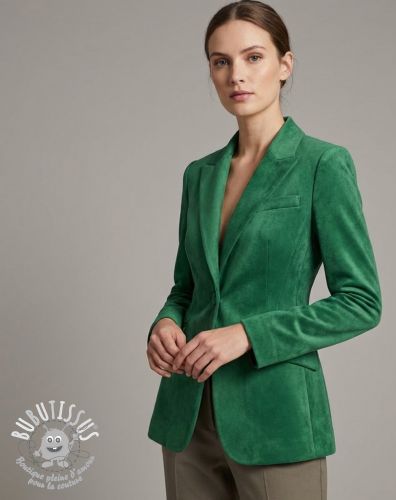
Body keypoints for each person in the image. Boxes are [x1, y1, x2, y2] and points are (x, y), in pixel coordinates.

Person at [145, 1, 382, 499]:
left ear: (284, 65)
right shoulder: (199, 175)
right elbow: (186, 288)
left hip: (277, 415)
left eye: (253, 57)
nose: (236, 75)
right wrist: (165, 323)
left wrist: (248, 335)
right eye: (221, 61)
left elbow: (361, 303)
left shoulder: (322, 164)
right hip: (187, 414)